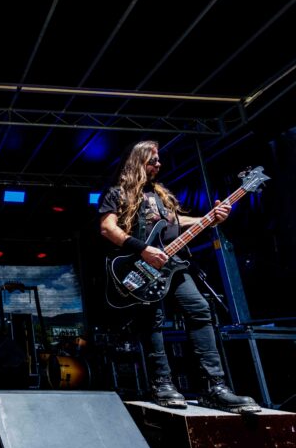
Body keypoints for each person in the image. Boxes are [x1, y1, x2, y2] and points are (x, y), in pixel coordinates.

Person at [98, 140, 260, 413]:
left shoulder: (161, 194)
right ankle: (162, 384)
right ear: (138, 161)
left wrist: (210, 218)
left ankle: (215, 386)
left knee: (199, 310)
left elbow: (176, 222)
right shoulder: (117, 193)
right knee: (153, 320)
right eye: (153, 160)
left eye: (159, 160)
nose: (159, 164)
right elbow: (107, 228)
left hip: (174, 264)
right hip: (142, 265)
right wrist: (143, 249)